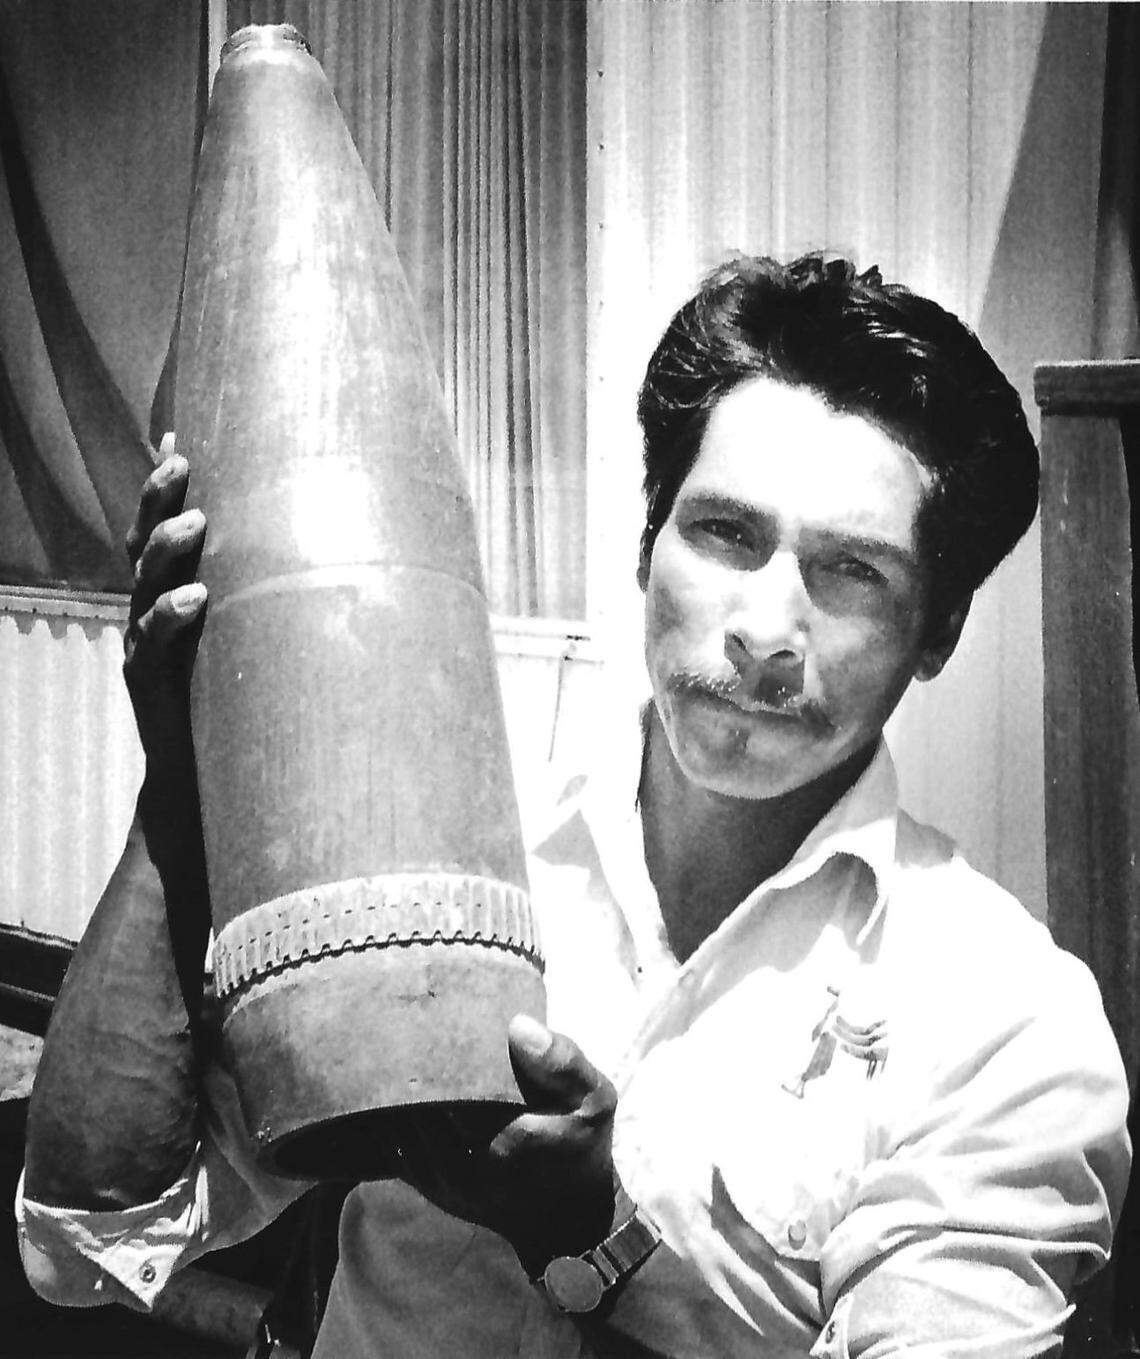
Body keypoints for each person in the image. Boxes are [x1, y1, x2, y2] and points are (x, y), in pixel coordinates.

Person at [16, 254, 1131, 1356]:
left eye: (854, 573)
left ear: (936, 631)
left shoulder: (1007, 1023)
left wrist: (594, 1237)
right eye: (726, 534)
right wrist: (182, 777)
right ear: (651, 547)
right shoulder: (433, 872)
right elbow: (85, 1244)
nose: (766, 628)